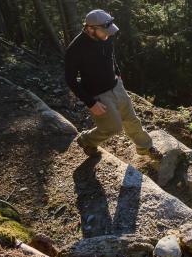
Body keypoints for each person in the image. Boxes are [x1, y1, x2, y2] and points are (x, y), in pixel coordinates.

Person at [65, 9, 155, 158]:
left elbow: (110, 56)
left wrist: (118, 74)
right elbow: (71, 80)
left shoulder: (106, 37)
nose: (109, 35)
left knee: (132, 119)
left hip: (116, 85)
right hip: (98, 94)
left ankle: (145, 147)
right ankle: (86, 140)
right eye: (105, 32)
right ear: (90, 29)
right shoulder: (75, 50)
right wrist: (91, 103)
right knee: (113, 128)